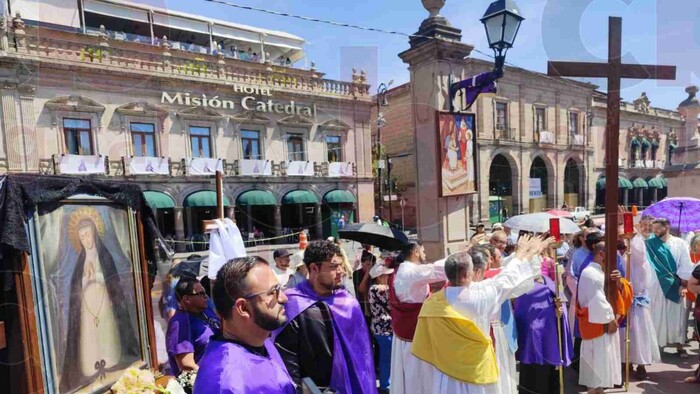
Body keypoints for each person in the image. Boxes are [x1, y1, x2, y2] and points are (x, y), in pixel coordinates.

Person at [411, 236, 549, 393]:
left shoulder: (431, 304)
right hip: (476, 371)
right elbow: (507, 278)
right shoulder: (481, 296)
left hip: (446, 370)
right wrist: (523, 252)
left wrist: (524, 253)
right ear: (470, 274)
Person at [273, 240, 376, 393]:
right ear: (314, 268)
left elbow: (363, 358)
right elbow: (287, 359)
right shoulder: (292, 304)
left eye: (341, 265)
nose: (341, 271)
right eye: (334, 266)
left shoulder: (349, 304)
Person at [60, 210, 140, 392]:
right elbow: (76, 288)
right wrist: (85, 278)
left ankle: (111, 358)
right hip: (87, 308)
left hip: (105, 304)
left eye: (88, 234)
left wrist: (95, 274)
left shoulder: (104, 256)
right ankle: (90, 366)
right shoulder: (80, 261)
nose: (86, 239)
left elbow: (113, 281)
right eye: (82, 236)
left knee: (107, 331)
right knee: (89, 336)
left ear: (95, 233)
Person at [193, 257, 296, 393]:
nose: (283, 298)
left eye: (280, 288)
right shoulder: (225, 383)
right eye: (272, 292)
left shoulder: (261, 342)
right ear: (243, 308)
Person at [389, 241, 448, 394]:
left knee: (407, 376)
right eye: (423, 250)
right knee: (419, 377)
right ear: (415, 252)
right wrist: (466, 252)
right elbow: (441, 269)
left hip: (402, 333)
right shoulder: (413, 272)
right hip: (416, 334)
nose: (425, 254)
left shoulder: (397, 271)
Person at [513, 251, 574, 394]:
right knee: (533, 378)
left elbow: (559, 303)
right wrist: (551, 312)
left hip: (551, 336)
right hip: (532, 341)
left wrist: (559, 311)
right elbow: (524, 315)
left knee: (551, 376)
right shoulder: (524, 288)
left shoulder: (549, 281)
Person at [577, 242, 633, 393]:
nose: (614, 260)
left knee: (603, 360)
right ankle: (592, 390)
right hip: (596, 323)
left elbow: (621, 291)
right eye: (612, 256)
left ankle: (599, 389)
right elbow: (598, 300)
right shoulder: (590, 273)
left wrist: (620, 282)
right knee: (595, 360)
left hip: (603, 321)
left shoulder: (602, 271)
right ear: (601, 254)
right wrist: (611, 319)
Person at [647, 218, 695, 357]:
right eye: (653, 228)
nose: (654, 231)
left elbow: (685, 264)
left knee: (677, 315)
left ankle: (679, 345)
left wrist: (683, 284)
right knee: (658, 314)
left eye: (657, 228)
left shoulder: (680, 243)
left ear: (667, 227)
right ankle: (658, 345)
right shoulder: (650, 243)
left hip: (675, 283)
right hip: (656, 284)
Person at [625, 216, 661, 379]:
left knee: (640, 335)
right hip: (625, 299)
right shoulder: (626, 255)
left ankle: (640, 364)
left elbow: (639, 256)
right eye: (643, 225)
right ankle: (627, 363)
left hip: (640, 298)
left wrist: (635, 236)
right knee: (626, 335)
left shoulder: (640, 252)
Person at [166, 277, 221, 376]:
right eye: (201, 294)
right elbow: (186, 364)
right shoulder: (180, 322)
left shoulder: (205, 310)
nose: (205, 296)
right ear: (187, 299)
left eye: (205, 293)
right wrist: (211, 378)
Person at [369, 261, 395, 394]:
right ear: (379, 276)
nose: (388, 277)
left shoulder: (374, 288)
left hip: (381, 328)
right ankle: (385, 385)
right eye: (385, 275)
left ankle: (387, 383)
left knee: (386, 358)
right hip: (383, 329)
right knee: (386, 358)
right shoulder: (377, 289)